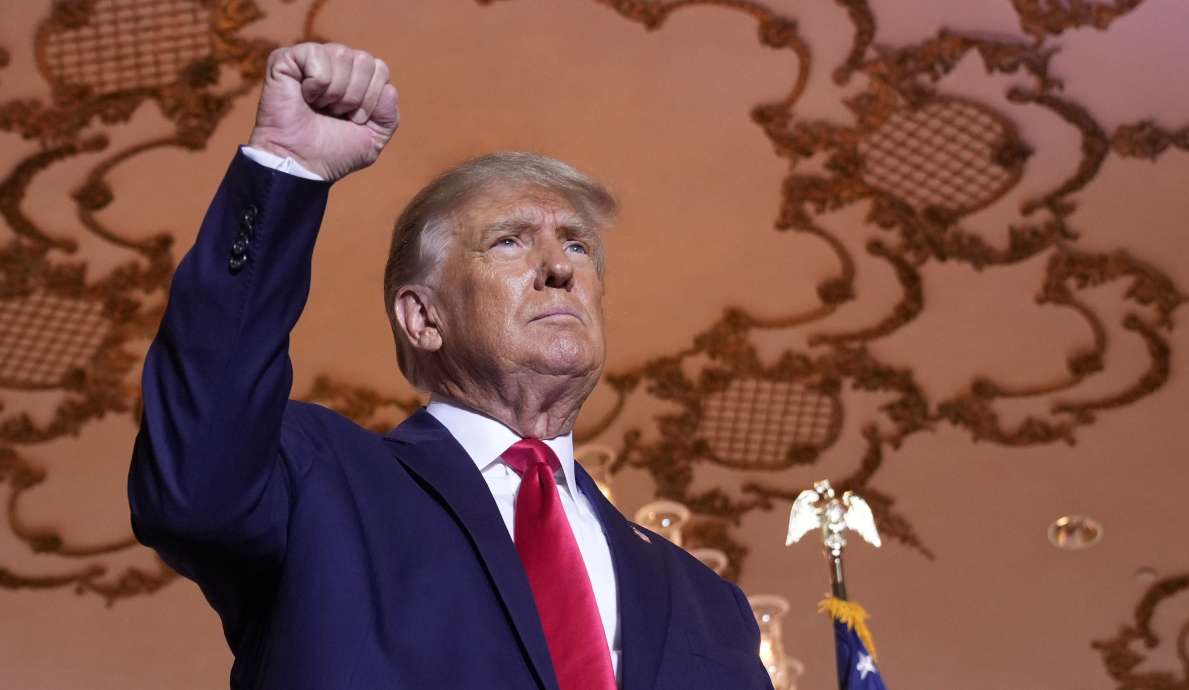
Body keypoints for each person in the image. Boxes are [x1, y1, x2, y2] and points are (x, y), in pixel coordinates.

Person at [129, 42, 772, 690]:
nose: (561, 266)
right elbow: (191, 484)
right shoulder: (319, 483)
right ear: (422, 318)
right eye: (510, 240)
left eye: (577, 244)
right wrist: (287, 169)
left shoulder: (712, 606)